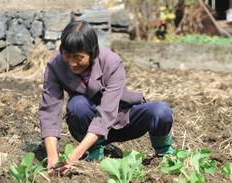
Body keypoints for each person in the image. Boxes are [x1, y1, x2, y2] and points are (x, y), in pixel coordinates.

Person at [39, 20, 174, 172]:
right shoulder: (56, 65)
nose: (72, 63)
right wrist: (52, 158)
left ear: (93, 52)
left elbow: (107, 112)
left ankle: (164, 153)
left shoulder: (111, 61)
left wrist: (74, 155)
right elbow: (50, 110)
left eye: (78, 57)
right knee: (77, 105)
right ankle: (95, 151)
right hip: (86, 120)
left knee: (161, 111)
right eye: (67, 55)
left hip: (123, 118)